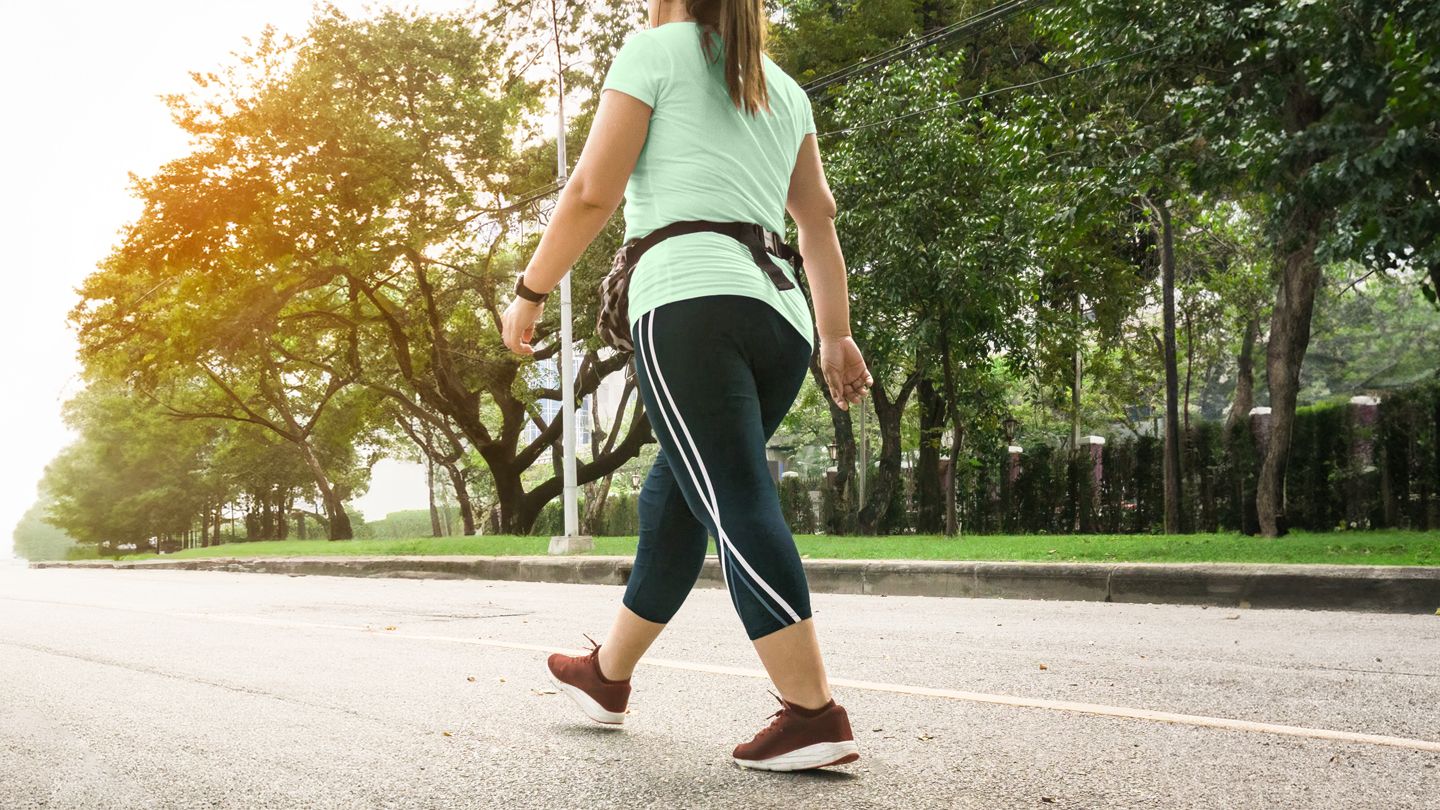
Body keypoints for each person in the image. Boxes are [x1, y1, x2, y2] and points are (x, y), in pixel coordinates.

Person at [499, 0, 872, 772]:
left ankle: (812, 714)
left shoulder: (655, 50)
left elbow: (592, 193)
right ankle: (607, 679)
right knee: (677, 496)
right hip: (782, 320)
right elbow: (818, 222)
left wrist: (531, 290)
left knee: (733, 495)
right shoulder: (781, 86)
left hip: (689, 303)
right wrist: (834, 333)